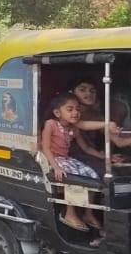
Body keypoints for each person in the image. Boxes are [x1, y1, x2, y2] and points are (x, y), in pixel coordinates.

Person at [39, 92, 121, 232]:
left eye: (77, 109)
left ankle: (88, 213)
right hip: (54, 159)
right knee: (74, 177)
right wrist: (56, 167)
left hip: (66, 159)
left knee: (92, 175)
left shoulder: (73, 128)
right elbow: (45, 148)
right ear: (57, 113)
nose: (75, 113)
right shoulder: (51, 124)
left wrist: (106, 157)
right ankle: (69, 213)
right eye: (70, 110)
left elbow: (87, 148)